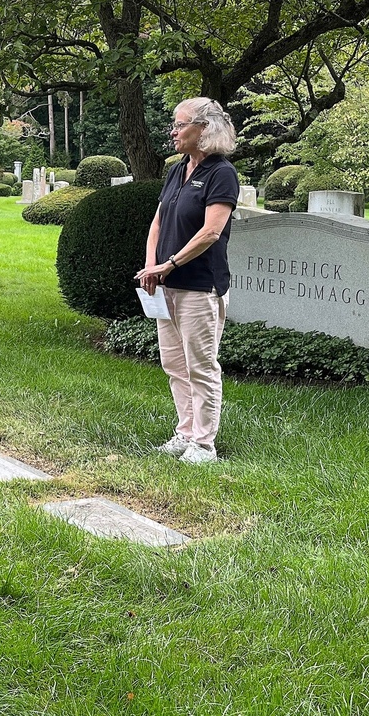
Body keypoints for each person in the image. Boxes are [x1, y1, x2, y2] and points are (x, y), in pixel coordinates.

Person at [134, 97, 239, 465]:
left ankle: (204, 444)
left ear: (204, 129)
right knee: (174, 364)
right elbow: (159, 221)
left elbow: (211, 232)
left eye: (180, 125)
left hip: (199, 285)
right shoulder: (178, 169)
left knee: (201, 365)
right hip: (164, 284)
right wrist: (152, 265)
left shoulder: (221, 173)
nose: (173, 132)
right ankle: (186, 433)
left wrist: (169, 265)